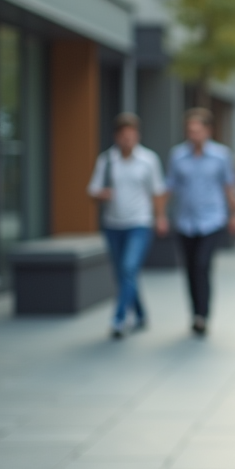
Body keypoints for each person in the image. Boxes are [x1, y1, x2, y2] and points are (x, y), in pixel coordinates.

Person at [86, 113, 167, 339]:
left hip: (140, 223)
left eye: (132, 136)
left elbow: (158, 191)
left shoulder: (149, 160)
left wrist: (160, 217)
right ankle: (140, 313)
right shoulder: (107, 160)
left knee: (129, 268)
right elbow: (91, 190)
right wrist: (102, 194)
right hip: (113, 225)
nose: (128, 140)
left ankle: (119, 318)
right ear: (117, 137)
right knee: (123, 273)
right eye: (124, 136)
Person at [164, 108, 235, 336]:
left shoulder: (221, 155)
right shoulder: (177, 155)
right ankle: (195, 313)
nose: (193, 134)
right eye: (189, 130)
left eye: (197, 130)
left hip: (211, 220)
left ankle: (203, 315)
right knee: (189, 269)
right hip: (185, 221)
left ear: (208, 131)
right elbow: (170, 187)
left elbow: (229, 187)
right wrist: (160, 215)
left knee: (202, 264)